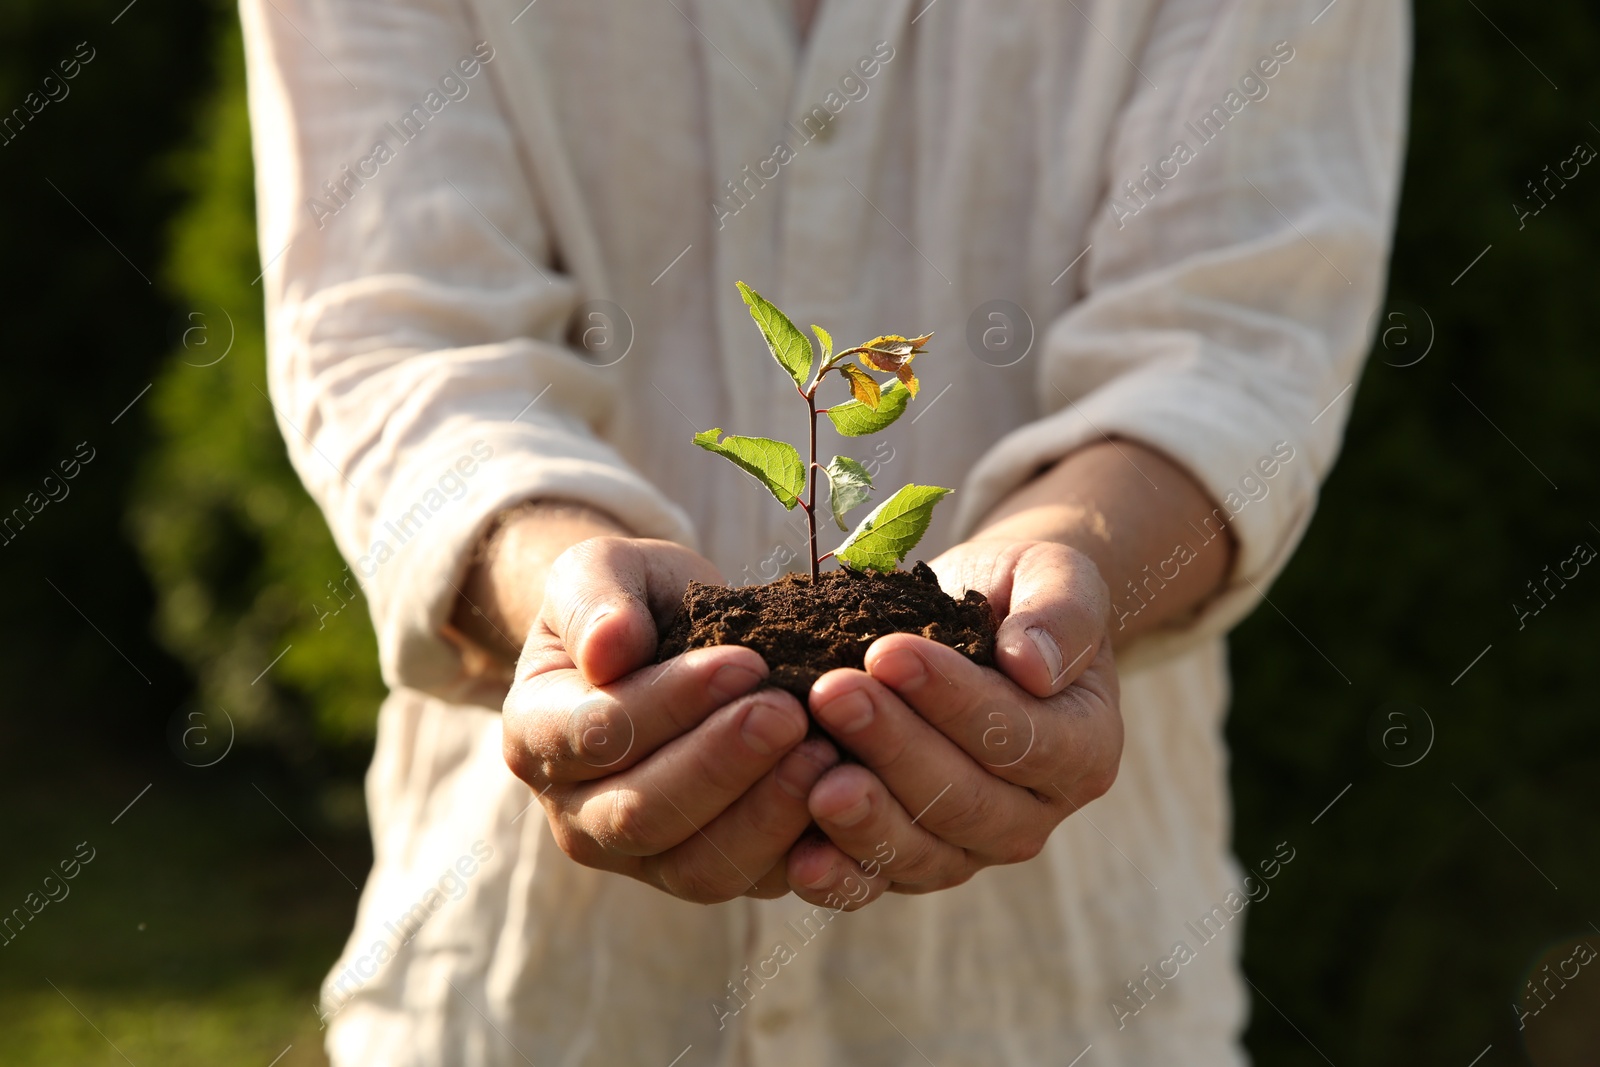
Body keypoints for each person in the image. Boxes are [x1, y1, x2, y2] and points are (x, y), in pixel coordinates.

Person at [241, 0, 1407, 1062]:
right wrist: (558, 588)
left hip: (1050, 1005)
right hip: (530, 997)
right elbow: (393, 335)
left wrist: (1070, 567)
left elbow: (1237, 340)